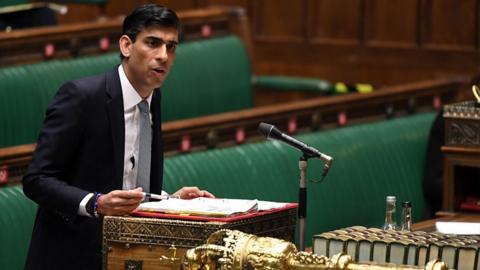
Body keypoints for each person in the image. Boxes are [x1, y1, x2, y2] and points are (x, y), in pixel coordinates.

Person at [22, 4, 213, 270]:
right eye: (153, 43)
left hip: (126, 255)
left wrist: (167, 201)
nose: (164, 56)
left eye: (171, 47)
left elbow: (128, 181)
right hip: (73, 256)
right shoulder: (81, 97)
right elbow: (36, 180)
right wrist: (95, 203)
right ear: (126, 45)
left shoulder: (152, 97)